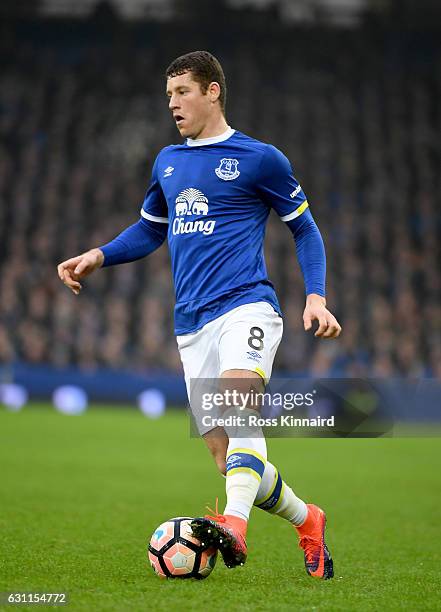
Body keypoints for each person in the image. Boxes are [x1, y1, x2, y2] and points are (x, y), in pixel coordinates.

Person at [57, 50, 341, 580]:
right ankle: (308, 519)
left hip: (246, 305)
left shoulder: (259, 158)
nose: (173, 104)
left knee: (238, 410)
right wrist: (98, 254)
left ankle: (234, 526)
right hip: (191, 324)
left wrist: (317, 296)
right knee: (226, 457)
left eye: (182, 92)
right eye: (169, 95)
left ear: (213, 91)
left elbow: (304, 227)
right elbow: (149, 229)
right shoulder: (167, 161)